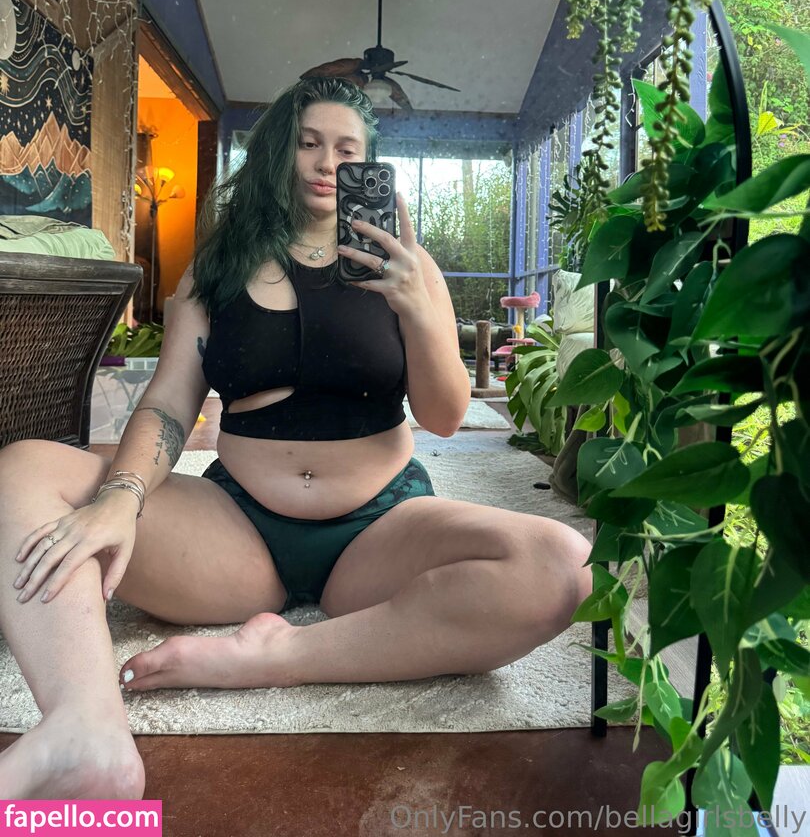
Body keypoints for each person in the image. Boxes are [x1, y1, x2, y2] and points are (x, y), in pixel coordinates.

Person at [0, 77, 593, 800]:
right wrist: (121, 498)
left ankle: (277, 655)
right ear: (281, 151)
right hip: (234, 531)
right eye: (309, 143)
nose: (325, 163)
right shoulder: (219, 267)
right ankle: (85, 731)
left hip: (380, 531)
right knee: (22, 470)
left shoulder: (411, 267)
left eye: (346, 151)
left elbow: (444, 416)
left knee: (562, 566)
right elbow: (169, 402)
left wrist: (417, 305)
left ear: (369, 165)